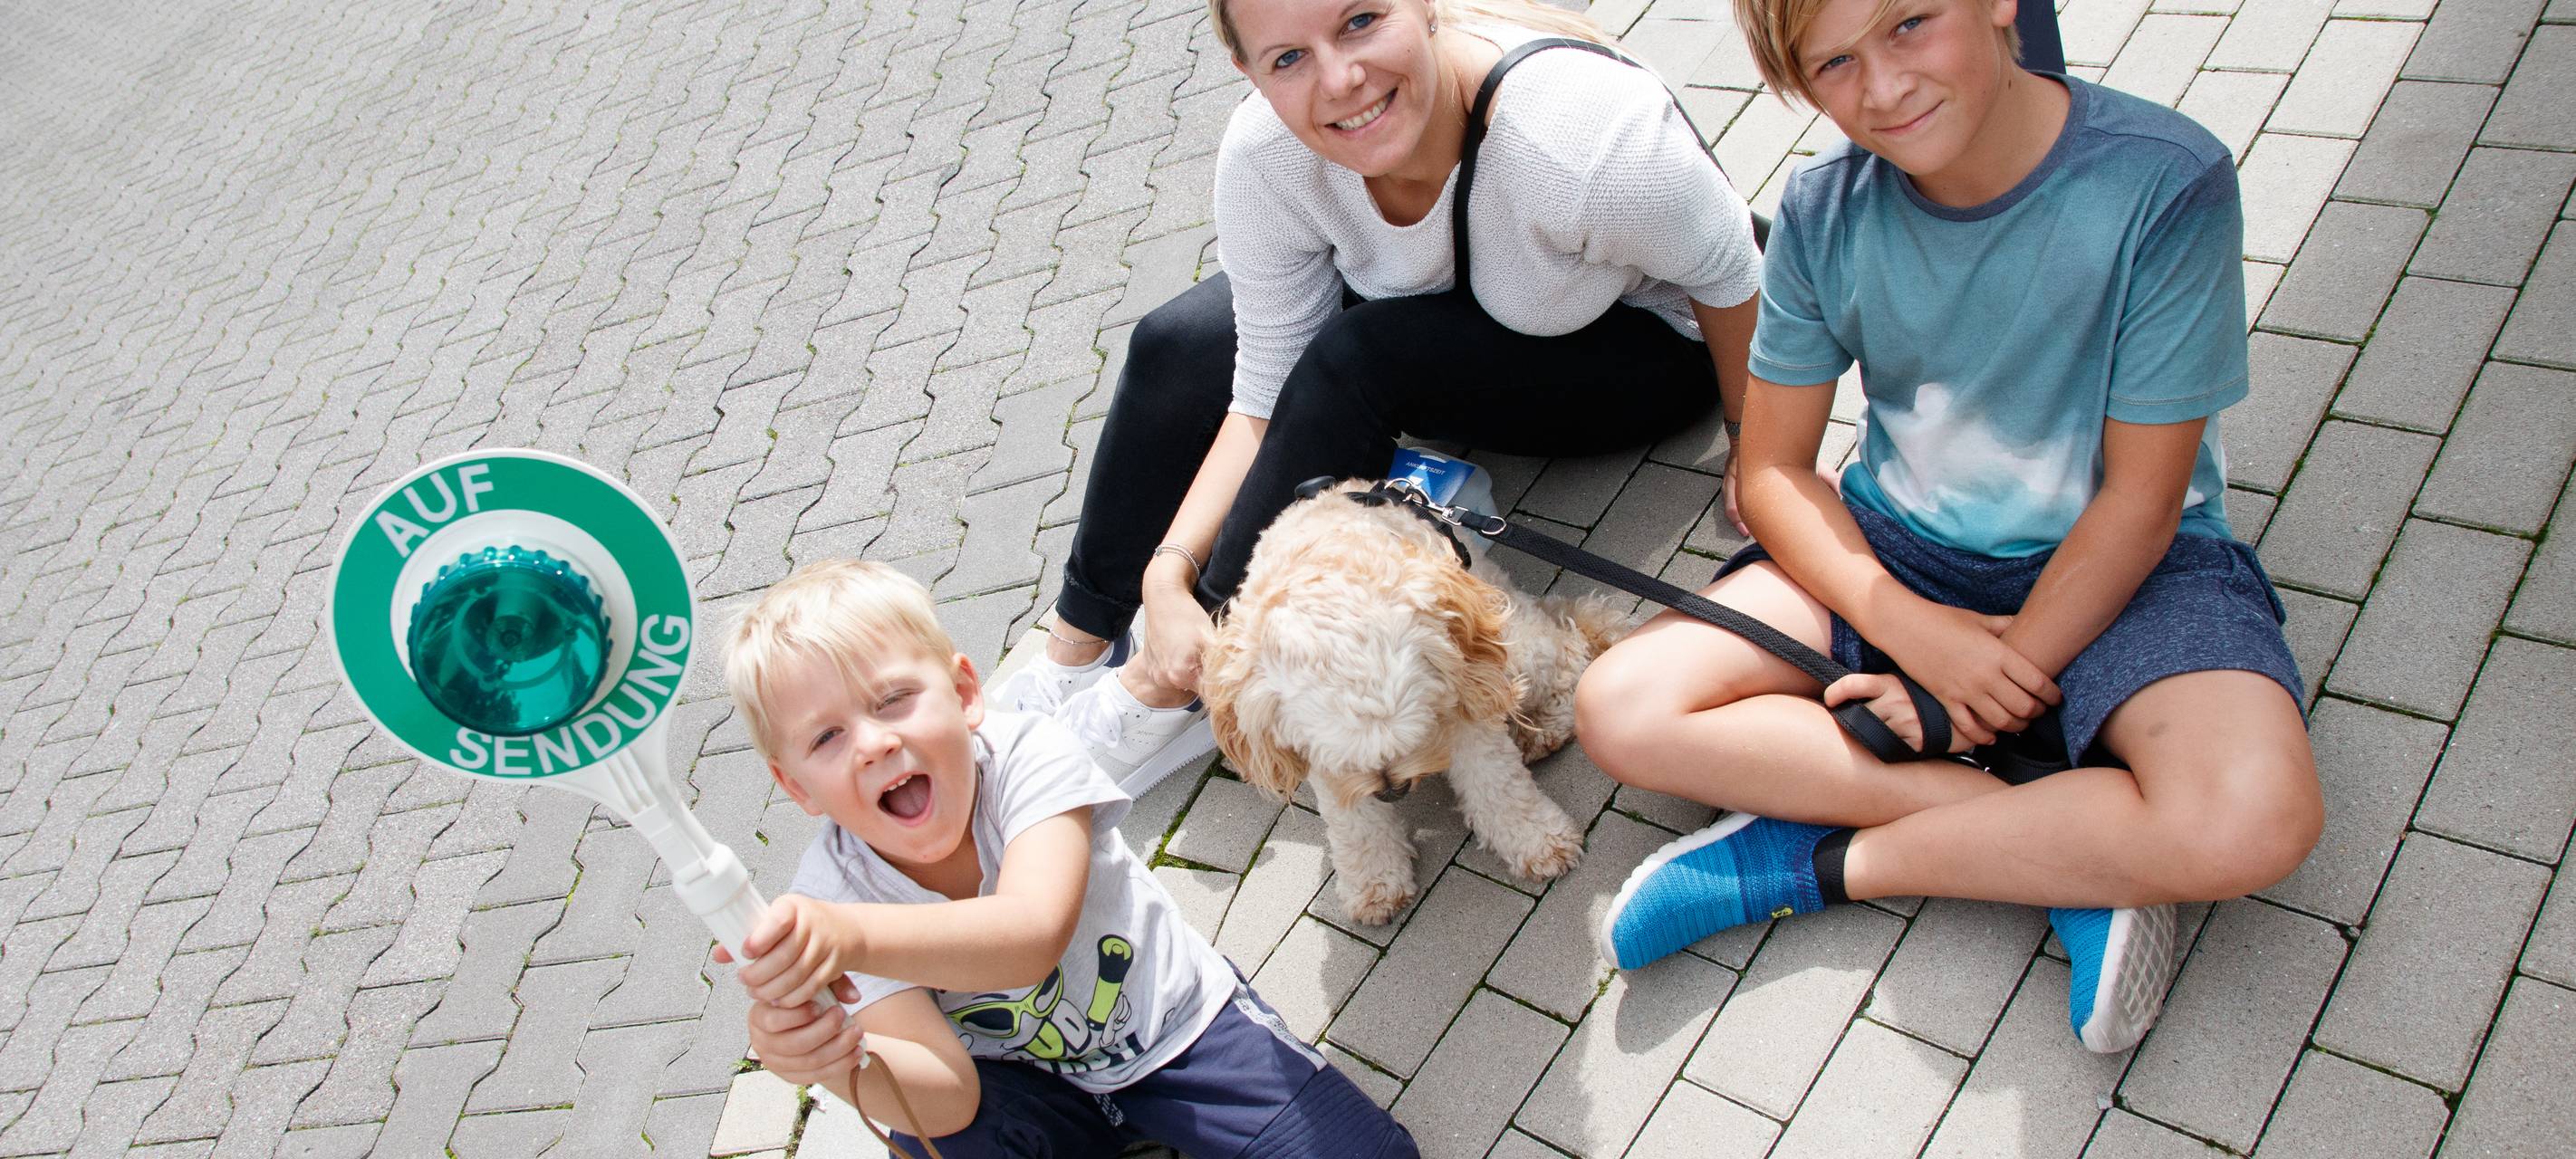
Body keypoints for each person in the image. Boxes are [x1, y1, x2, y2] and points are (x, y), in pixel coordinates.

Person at [1576, 0, 2320, 1054]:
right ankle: (2073, 848)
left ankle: (1814, 861)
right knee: (1622, 707)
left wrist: (1972, 686)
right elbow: (1777, 470)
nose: (1881, 89)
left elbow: (2140, 502)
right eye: (1834, 61)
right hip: (1902, 547)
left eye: (1911, 24)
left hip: (2130, 568)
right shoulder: (1826, 208)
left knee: (2259, 816)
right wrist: (1913, 629)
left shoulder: (2166, 179)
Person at [1004, 0, 1766, 793]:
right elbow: (1263, 384)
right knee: (1181, 340)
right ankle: (1078, 645)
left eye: (1361, 21)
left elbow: (1737, 274)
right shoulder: (1269, 154)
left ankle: (1196, 679)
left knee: (1355, 357)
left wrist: (1757, 443)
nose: (1340, 79)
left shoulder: (1575, 139)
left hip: (1642, 346)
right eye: (1288, 59)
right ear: (1249, 71)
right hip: (1462, 310)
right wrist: (1166, 576)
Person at [715, 560, 1417, 1156]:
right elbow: (949, 1102)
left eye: (893, 700)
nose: (871, 744)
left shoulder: (1030, 755)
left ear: (964, 695)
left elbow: (1029, 936)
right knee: (935, 1138)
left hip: (1170, 1026)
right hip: (1019, 1089)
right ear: (795, 786)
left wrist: (851, 940)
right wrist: (835, 1061)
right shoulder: (831, 894)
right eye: (827, 738)